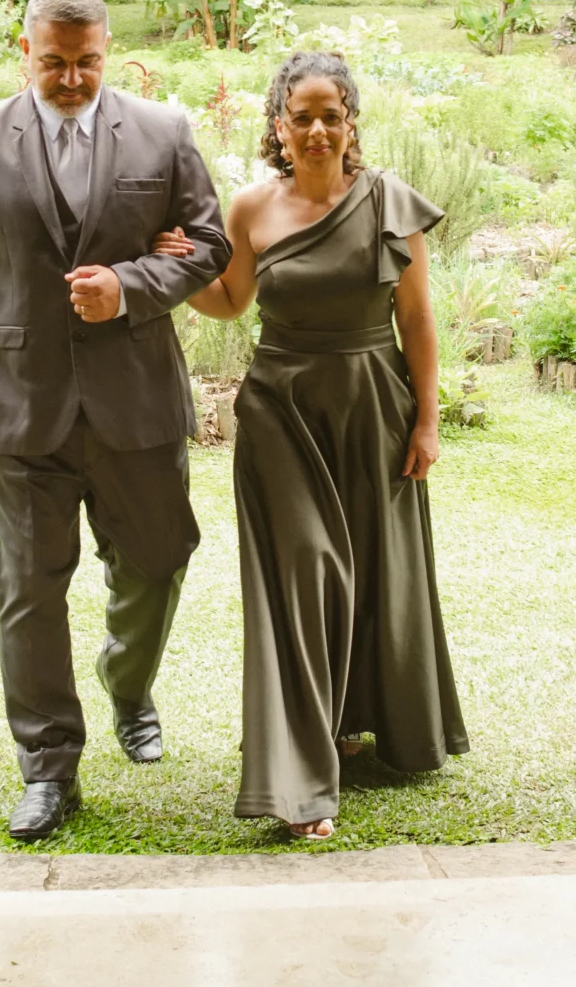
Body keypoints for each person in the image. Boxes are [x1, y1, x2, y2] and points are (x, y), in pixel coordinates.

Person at [0, 0, 231, 843]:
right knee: (28, 591)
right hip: (19, 404)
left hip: (136, 400)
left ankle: (128, 684)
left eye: (86, 62)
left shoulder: (163, 133)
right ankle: (49, 766)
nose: (72, 79)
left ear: (106, 50)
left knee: (159, 559)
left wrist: (129, 285)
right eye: (54, 63)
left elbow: (209, 244)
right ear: (26, 52)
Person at [156, 48, 467, 839]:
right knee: (302, 573)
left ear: (350, 122)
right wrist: (183, 272)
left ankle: (350, 723)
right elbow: (231, 301)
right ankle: (297, 781)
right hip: (280, 413)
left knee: (372, 570)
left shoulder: (390, 202)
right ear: (278, 125)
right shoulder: (250, 209)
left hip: (371, 407)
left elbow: (416, 319)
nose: (318, 130)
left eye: (332, 116)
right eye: (303, 117)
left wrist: (426, 421)